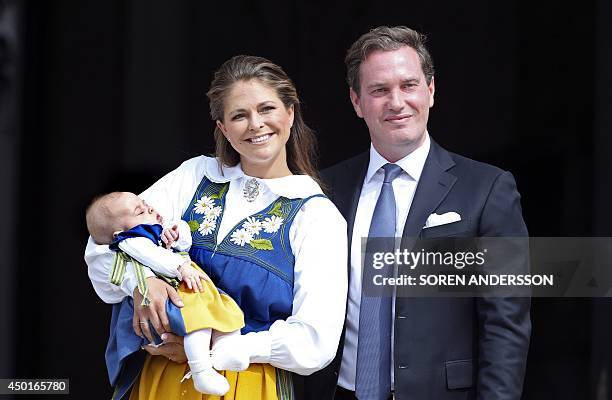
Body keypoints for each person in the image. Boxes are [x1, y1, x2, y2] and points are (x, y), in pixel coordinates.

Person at [84, 55, 348, 400]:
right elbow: (102, 246)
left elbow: (316, 342)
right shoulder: (194, 176)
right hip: (158, 379)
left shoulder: (317, 215)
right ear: (222, 127)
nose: (255, 124)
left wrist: (212, 348)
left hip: (245, 383)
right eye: (239, 115)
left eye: (267, 109)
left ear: (290, 113)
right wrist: (143, 282)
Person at [302, 26, 531, 400]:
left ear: (431, 90)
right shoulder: (325, 190)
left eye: (408, 85)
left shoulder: (487, 189)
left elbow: (505, 325)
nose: (396, 102)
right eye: (379, 90)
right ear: (357, 102)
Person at [85, 191, 245, 395]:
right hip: (172, 290)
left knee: (221, 305)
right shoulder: (132, 241)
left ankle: (225, 347)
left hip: (183, 284)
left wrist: (176, 233)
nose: (150, 208)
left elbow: (182, 245)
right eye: (140, 211)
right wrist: (181, 267)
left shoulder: (151, 232)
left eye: (145, 204)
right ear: (119, 233)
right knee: (199, 320)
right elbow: (155, 257)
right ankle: (201, 369)